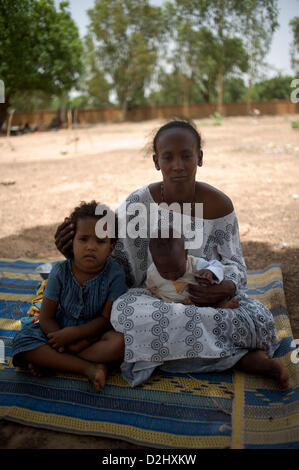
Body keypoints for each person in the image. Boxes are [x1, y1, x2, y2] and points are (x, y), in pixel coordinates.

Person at [55, 119, 289, 390]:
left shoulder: (219, 205)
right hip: (154, 299)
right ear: (156, 162)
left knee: (257, 318)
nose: (177, 165)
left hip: (210, 303)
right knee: (127, 312)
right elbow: (110, 250)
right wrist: (72, 249)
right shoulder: (139, 203)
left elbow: (234, 263)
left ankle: (169, 354)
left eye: (186, 155)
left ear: (199, 158)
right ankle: (240, 358)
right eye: (168, 157)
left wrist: (224, 287)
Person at [12, 201, 127, 392]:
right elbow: (46, 317)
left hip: (94, 335)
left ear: (111, 247)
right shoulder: (60, 271)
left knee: (119, 344)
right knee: (23, 342)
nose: (91, 247)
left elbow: (106, 320)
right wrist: (60, 340)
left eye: (100, 241)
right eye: (83, 239)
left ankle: (54, 362)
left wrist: (74, 336)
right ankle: (89, 367)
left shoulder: (115, 274)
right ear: (71, 241)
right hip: (56, 330)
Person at [147, 231, 240, 308]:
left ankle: (223, 305)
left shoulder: (194, 263)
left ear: (185, 254)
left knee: (217, 296)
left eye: (177, 270)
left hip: (202, 299)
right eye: (165, 272)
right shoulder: (152, 272)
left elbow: (216, 265)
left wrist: (210, 272)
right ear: (155, 263)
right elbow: (151, 285)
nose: (172, 276)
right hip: (173, 304)